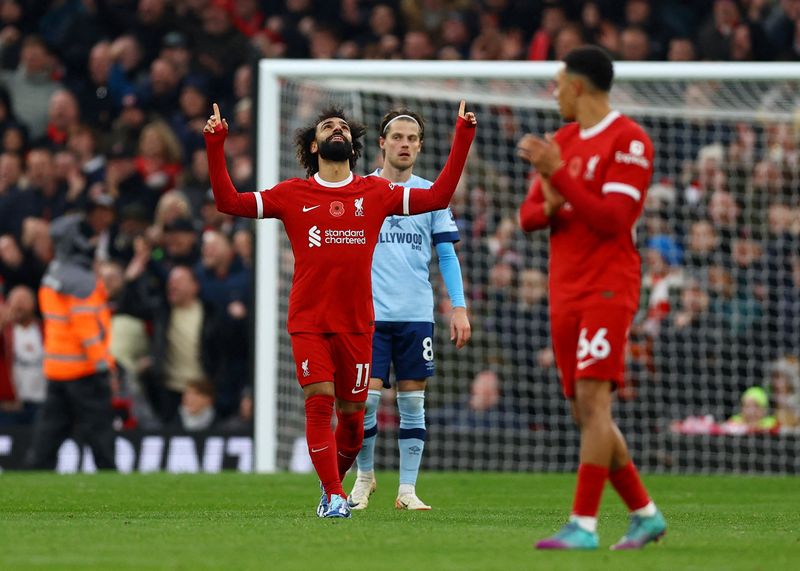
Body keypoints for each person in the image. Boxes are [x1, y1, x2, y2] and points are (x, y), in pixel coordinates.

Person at [204, 102, 476, 518]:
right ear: (314, 145)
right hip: (309, 322)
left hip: (358, 326)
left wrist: (463, 136)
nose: (337, 130)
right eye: (328, 126)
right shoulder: (292, 194)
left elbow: (439, 196)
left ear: (353, 146)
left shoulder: (376, 193)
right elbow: (228, 202)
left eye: (344, 128)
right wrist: (215, 143)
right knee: (319, 401)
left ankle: (335, 484)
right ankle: (334, 495)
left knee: (352, 423)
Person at [516, 46, 666, 550]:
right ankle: (645, 514)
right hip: (564, 290)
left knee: (594, 401)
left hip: (608, 284)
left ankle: (583, 525)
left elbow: (612, 221)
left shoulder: (631, 141)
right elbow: (528, 217)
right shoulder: (561, 140)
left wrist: (559, 180)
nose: (553, 93)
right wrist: (556, 192)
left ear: (577, 87)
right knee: (586, 413)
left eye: (557, 84)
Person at [347, 109, 471, 512]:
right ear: (382, 143)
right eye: (397, 136)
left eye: (412, 138)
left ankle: (407, 490)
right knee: (365, 400)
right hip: (369, 316)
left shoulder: (430, 195)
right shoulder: (360, 189)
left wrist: (459, 307)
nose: (404, 144)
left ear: (419, 145)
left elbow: (447, 255)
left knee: (413, 402)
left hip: (416, 315)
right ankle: (364, 477)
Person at [27, 214, 117, 470]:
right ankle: (111, 479)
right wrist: (103, 365)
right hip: (84, 370)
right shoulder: (81, 281)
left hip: (57, 369)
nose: (92, 242)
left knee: (49, 436)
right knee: (100, 435)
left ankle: (34, 483)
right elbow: (86, 329)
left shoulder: (53, 273)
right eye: (88, 235)